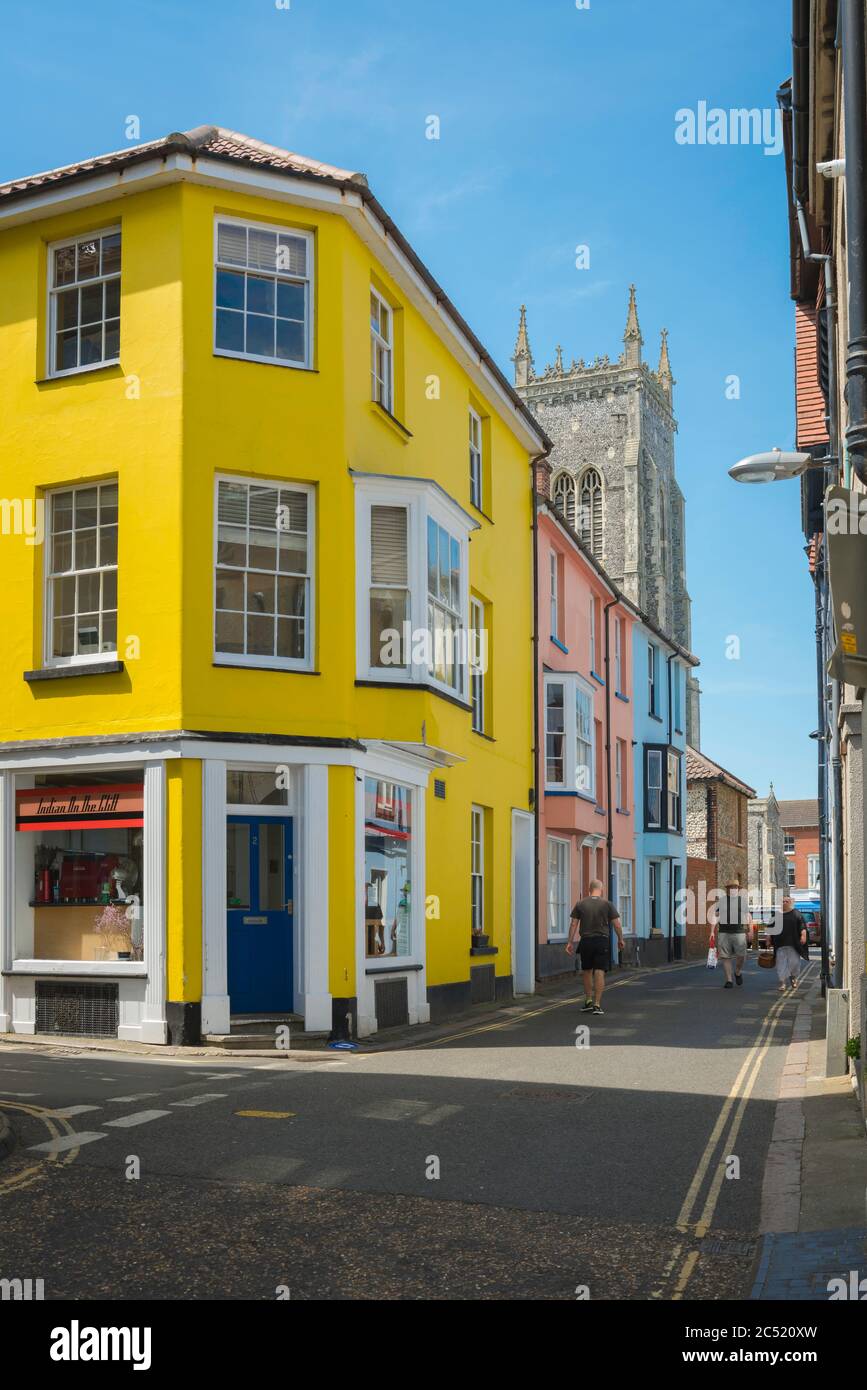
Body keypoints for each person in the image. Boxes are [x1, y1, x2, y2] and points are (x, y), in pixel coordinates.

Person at [565, 878, 624, 1015]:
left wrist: (569, 942)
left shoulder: (580, 904)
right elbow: (617, 924)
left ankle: (588, 1001)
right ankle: (597, 1005)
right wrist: (620, 939)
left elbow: (573, 924)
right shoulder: (607, 904)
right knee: (599, 971)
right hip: (602, 941)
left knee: (586, 971)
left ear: (589, 890)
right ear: (601, 889)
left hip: (586, 941)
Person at [709, 882, 753, 989]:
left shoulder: (742, 901)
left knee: (741, 956)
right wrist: (712, 932)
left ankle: (737, 971)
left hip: (739, 932)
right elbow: (716, 916)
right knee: (725, 956)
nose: (734, 889)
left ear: (738, 889)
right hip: (724, 932)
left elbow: (748, 916)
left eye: (736, 887)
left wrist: (750, 930)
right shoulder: (722, 901)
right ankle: (729, 980)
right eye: (731, 887)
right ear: (728, 889)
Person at [772, 893, 808, 993]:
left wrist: (803, 935)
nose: (784, 903)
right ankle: (782, 983)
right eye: (782, 901)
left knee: (794, 963)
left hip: (793, 943)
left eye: (786, 901)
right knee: (781, 964)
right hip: (779, 943)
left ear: (791, 902)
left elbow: (802, 926)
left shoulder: (796, 913)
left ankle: (793, 977)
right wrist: (767, 938)